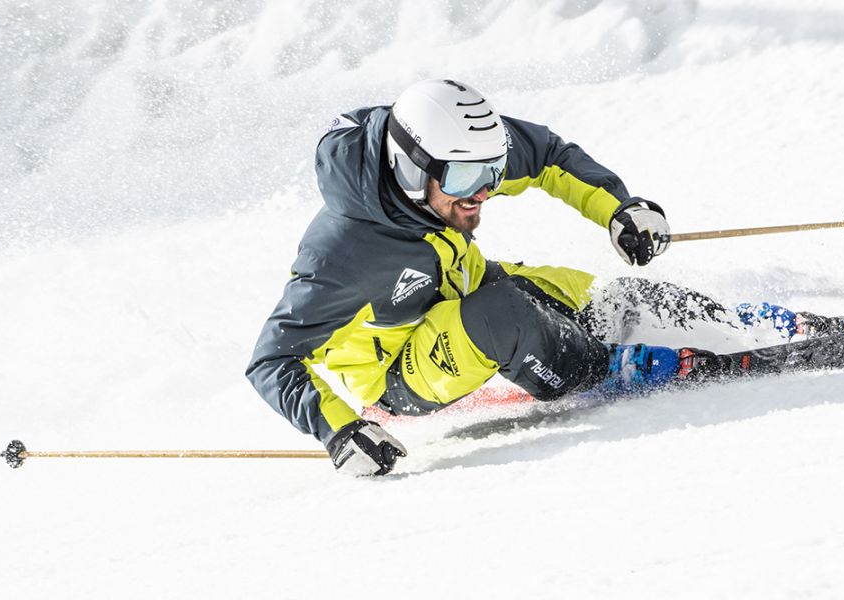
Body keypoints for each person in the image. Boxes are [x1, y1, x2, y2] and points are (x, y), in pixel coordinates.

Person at [246, 79, 795, 476]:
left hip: (463, 290)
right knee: (502, 316)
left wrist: (620, 210)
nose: (485, 190)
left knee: (595, 294)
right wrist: (339, 430)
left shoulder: (457, 161)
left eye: (492, 171)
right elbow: (272, 359)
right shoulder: (343, 253)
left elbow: (549, 158)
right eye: (467, 177)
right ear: (412, 170)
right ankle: (595, 370)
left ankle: (724, 320)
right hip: (399, 376)